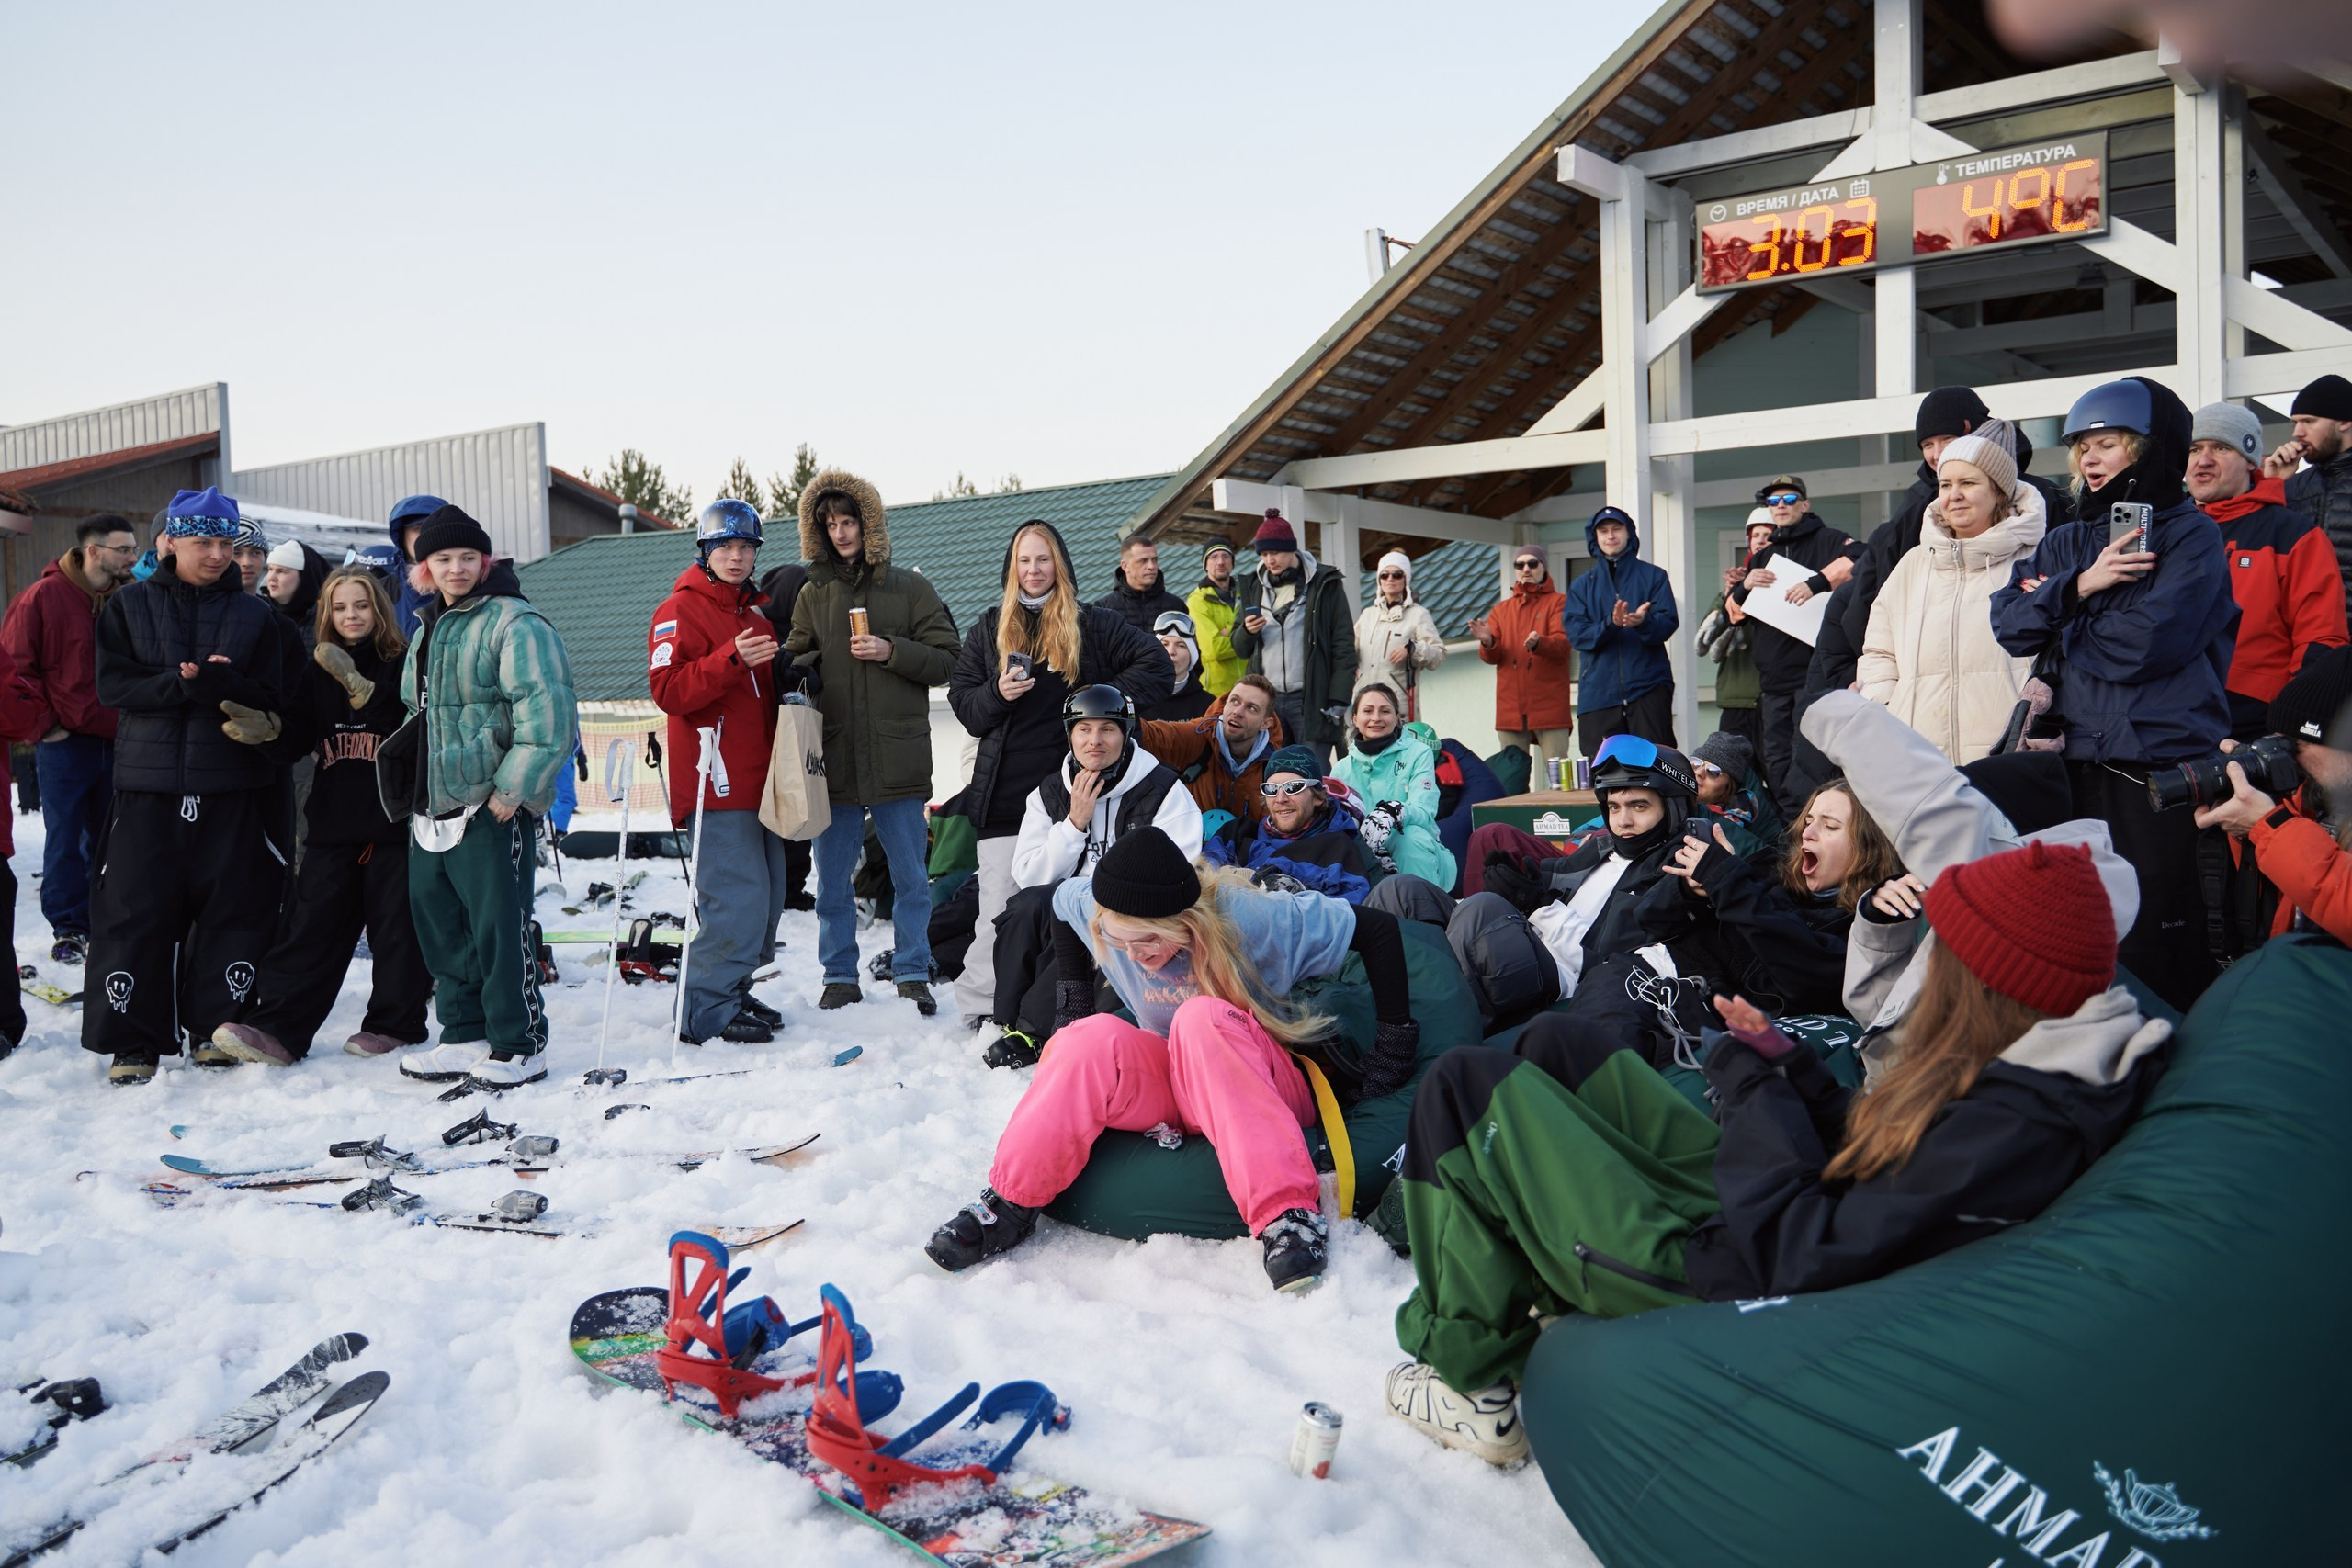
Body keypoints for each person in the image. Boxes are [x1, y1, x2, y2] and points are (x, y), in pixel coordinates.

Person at [1385, 837, 2167, 1467]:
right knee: (1562, 1041)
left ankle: (1470, 1375)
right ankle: (1529, 1274)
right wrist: (1787, 1064)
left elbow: (1799, 1253)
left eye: (1947, 950)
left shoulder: (2007, 1131)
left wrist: (1753, 1087)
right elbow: (1872, 1165)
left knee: (1462, 1087)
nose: (1931, 964)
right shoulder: (2022, 1072)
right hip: (1765, 1214)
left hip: (1730, 1273)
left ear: (1986, 982)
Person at [924, 827, 1422, 1293]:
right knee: (1088, 1036)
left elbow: (1377, 930)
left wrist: (1395, 1036)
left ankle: (1286, 1215)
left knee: (1199, 1018)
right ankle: (1009, 1204)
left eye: (1150, 940)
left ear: (1185, 921)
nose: (1136, 955)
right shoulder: (1094, 906)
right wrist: (1073, 1000)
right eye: (1120, 941)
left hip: (1254, 1073)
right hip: (1174, 1082)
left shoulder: (1256, 917)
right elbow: (1059, 904)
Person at [1991, 377, 2235, 1011]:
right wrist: (2081, 586)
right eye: (2082, 447)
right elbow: (2008, 624)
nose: (2089, 458)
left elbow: (2149, 644)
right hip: (2072, 760)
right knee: (2084, 928)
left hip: (2156, 762)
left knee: (2159, 932)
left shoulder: (2193, 537)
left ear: (2150, 448)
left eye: (2108, 443)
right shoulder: (2067, 541)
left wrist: (2063, 624)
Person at [84, 488, 301, 1086]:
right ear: (171, 540)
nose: (216, 554)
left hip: (232, 787)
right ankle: (134, 1038)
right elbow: (113, 688)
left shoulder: (260, 618)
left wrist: (227, 687)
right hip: (146, 786)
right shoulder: (126, 607)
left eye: (226, 543)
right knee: (136, 912)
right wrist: (178, 687)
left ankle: (216, 1027)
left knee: (233, 912)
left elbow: (279, 700)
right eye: (203, 541)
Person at [946, 518, 1170, 1028]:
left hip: (1075, 791)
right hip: (1005, 794)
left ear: (1060, 565)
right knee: (998, 909)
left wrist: (1106, 707)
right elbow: (965, 706)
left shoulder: (1091, 623)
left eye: (1042, 559)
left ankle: (1054, 1006)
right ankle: (982, 1006)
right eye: (1024, 560)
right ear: (1012, 567)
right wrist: (997, 694)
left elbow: (1155, 664)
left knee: (1067, 907)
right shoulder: (988, 628)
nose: (1033, 570)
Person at [208, 568, 433, 1064]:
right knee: (309, 929)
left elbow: (414, 733)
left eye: (361, 605)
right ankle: (279, 1030)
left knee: (396, 933)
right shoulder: (315, 670)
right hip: (333, 824)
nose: (350, 615)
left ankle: (395, 1025)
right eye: (339, 607)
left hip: (394, 825)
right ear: (326, 614)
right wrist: (269, 731)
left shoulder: (403, 661)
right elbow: (300, 735)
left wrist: (366, 692)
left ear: (379, 609)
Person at [392, 504, 577, 1091]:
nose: (455, 568)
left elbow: (547, 714)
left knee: (499, 926)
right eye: (442, 559)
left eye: (467, 557)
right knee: (441, 924)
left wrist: (513, 790)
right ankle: (463, 1033)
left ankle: (519, 1043)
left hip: (490, 804)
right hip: (433, 803)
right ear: (423, 568)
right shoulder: (425, 627)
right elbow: (411, 712)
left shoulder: (515, 623)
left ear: (485, 560)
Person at [784, 472, 962, 1016]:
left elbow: (950, 658)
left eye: (849, 521)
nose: (840, 532)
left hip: (897, 756)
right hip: (832, 759)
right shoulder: (812, 594)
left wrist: (891, 651)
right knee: (832, 881)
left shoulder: (911, 589)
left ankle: (912, 969)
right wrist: (807, 671)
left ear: (869, 524)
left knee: (912, 878)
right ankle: (839, 975)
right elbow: (793, 659)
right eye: (830, 524)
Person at [984, 685, 1205, 1069]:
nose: (1095, 741)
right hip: (1065, 907)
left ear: (1125, 733)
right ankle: (1008, 1020)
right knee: (1025, 907)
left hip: (1133, 910)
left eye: (1107, 729)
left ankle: (1041, 1030)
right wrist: (1074, 824)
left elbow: (1182, 866)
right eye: (1083, 729)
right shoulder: (1049, 792)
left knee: (1103, 928)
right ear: (1069, 734)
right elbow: (1029, 875)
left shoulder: (1163, 788)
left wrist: (1112, 896)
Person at [650, 499, 793, 1044]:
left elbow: (755, 698)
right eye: (725, 547)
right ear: (705, 552)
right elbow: (669, 691)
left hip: (761, 786)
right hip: (717, 784)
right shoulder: (678, 610)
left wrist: (792, 680)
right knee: (734, 903)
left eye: (746, 547)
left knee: (767, 900)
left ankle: (730, 987)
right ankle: (706, 1010)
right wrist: (731, 659)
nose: (737, 557)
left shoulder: (752, 614)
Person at [1860, 419, 2049, 764]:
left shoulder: (2038, 559)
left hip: (2008, 758)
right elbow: (1878, 652)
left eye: (1968, 482)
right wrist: (1886, 709)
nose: (1954, 494)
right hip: (1919, 760)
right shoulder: (1913, 565)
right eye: (1945, 484)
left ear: (1999, 492)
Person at [1639, 778, 1900, 1018]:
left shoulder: (1866, 921)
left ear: (1869, 848)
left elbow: (1810, 977)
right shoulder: (1770, 870)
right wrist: (1692, 890)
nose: (1806, 833)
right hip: (1655, 974)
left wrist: (1727, 882)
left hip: (1696, 1011)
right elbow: (1648, 920)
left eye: (1830, 826)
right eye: (1808, 821)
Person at [1, 513, 137, 964]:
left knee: (114, 837)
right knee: (63, 837)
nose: (133, 558)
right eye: (124, 549)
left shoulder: (129, 599)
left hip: (119, 741)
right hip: (65, 743)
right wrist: (45, 726)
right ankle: (70, 927)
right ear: (93, 551)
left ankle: (110, 922)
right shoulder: (41, 598)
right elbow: (17, 670)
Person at [2188, 401, 2349, 738]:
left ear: (2250, 460)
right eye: (2194, 448)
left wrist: (2294, 719)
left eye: (2220, 447)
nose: (2203, 460)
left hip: (2256, 718)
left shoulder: (2293, 534)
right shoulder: (2164, 531)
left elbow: (2320, 639)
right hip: (2168, 713)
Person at [2193, 645, 2352, 948]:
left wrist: (2273, 826)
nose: (2288, 759)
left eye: (2296, 746)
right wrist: (2250, 823)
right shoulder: (2319, 797)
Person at [1731, 475, 1864, 807]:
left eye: (1789, 500)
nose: (1780, 507)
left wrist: (1818, 582)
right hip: (1773, 679)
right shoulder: (1764, 555)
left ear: (1805, 505)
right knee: (1775, 759)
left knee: (1815, 755)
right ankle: (1789, 834)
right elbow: (1730, 613)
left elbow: (1865, 556)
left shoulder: (1830, 539)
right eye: (1773, 502)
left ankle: (1820, 823)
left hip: (1815, 674)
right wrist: (1745, 585)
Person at [1227, 509, 1356, 773]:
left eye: (1275, 552)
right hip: (1267, 700)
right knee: (1274, 772)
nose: (1269, 560)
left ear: (1292, 550)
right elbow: (1240, 648)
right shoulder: (1253, 586)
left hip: (1311, 698)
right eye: (1263, 554)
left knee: (1313, 773)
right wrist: (1248, 632)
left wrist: (1339, 698)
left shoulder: (1324, 583)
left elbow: (1343, 644)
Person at [1564, 505, 1679, 758]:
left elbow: (1668, 623)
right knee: (1605, 776)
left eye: (1617, 528)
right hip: (1598, 695)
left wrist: (1643, 622)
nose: (1610, 535)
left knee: (1658, 769)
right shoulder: (1581, 586)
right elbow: (1577, 635)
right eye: (1603, 531)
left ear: (1629, 533)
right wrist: (1611, 624)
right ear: (1594, 537)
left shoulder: (1654, 576)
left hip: (1649, 688)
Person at [1204, 746, 1381, 903]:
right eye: (1272, 789)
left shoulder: (1339, 848)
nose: (1281, 799)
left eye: (1293, 787)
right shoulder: (1239, 835)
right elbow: (1199, 879)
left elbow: (1345, 916)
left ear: (1317, 797)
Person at [1329, 682, 1455, 889]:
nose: (1376, 718)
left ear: (1397, 718)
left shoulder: (1418, 753)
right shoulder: (1342, 769)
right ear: (1354, 718)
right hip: (1366, 856)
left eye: (1385, 711)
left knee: (1411, 837)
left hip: (1421, 855)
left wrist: (1395, 812)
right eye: (1368, 711)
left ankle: (1425, 912)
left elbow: (1425, 811)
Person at [1476, 548, 1575, 786]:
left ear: (1544, 566)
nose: (1526, 569)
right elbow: (1493, 657)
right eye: (1520, 565)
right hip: (1511, 707)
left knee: (1559, 779)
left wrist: (1540, 643)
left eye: (1532, 563)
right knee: (1511, 777)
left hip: (1549, 703)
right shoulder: (1501, 609)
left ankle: (1564, 821)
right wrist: (1487, 642)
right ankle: (1513, 823)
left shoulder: (1559, 602)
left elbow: (1563, 645)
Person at [1136, 671, 1287, 825]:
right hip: (1195, 843)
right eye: (1234, 701)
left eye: (1251, 708)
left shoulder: (1275, 765)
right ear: (1225, 704)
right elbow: (1152, 735)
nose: (1238, 712)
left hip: (1250, 846)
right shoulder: (1201, 735)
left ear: (1265, 724)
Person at [757, 554, 815, 911]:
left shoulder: (798, 634)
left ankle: (790, 889)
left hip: (790, 738)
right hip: (773, 741)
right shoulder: (764, 634)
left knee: (797, 818)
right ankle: (786, 889)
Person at [2271, 372, 2352, 619]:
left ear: (2344, 421)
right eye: (2295, 422)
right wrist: (2273, 484)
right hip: (2310, 640)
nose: (2297, 432)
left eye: (2309, 421)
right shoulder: (2291, 486)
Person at [1696, 513, 1774, 762]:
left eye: (1768, 535)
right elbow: (1705, 641)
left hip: (1774, 699)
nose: (1760, 540)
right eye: (1755, 535)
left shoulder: (1794, 586)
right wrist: (1731, 594)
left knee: (1777, 776)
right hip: (1736, 699)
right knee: (1730, 778)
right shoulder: (1733, 588)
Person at [1351, 550, 1446, 720]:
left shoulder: (1418, 614)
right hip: (1364, 702)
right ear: (1379, 580)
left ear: (1406, 579)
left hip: (1398, 705)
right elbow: (1348, 652)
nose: (1390, 579)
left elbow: (1438, 655)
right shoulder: (1367, 615)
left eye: (1397, 574)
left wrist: (1412, 649)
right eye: (1384, 575)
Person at [1095, 535, 1187, 636]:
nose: (1151, 566)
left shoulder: (1176, 606)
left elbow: (1190, 647)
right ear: (1125, 566)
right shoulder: (1104, 608)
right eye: (1143, 561)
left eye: (1154, 560)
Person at [385, 493, 447, 638]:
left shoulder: (467, 586)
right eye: (419, 528)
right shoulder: (381, 591)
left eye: (435, 528)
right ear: (401, 536)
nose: (427, 535)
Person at [1186, 544, 1245, 698]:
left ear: (1232, 563)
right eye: (1214, 557)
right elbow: (1214, 650)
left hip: (1248, 688)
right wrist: (1245, 635)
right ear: (1205, 564)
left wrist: (1229, 631)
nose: (1220, 562)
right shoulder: (1197, 601)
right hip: (1216, 692)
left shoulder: (1246, 594)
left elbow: (1261, 634)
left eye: (1225, 556)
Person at [1137, 610, 1210, 724]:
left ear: (1192, 655)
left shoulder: (1209, 706)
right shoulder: (1137, 701)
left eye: (1181, 645)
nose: (1171, 652)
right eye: (1165, 644)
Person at [262, 540, 329, 651]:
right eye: (270, 569)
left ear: (304, 578)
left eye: (281, 571)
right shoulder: (260, 613)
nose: (271, 577)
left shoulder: (326, 621)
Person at [229, 513, 270, 594]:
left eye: (255, 553)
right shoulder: (200, 605)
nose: (247, 563)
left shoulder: (269, 606)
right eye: (236, 553)